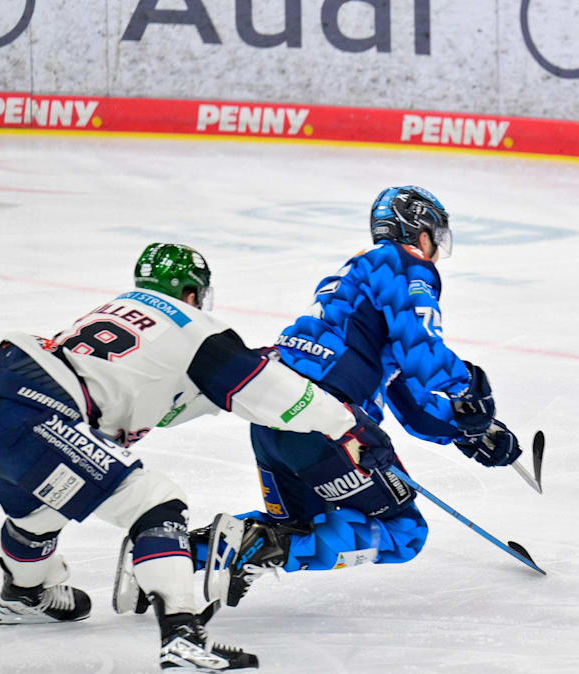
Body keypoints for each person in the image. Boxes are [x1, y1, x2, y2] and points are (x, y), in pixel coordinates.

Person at [0, 242, 393, 674]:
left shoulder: (128, 313)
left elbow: (169, 397)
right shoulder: (193, 326)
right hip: (40, 414)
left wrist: (247, 367)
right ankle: (183, 648)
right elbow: (269, 392)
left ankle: (24, 594)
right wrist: (347, 425)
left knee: (38, 515)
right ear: (191, 292)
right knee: (158, 504)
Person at [193, 185, 523, 607]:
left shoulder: (351, 293)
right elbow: (422, 353)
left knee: (299, 526)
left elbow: (413, 405)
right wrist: (472, 391)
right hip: (328, 422)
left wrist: (470, 430)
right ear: (419, 232)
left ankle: (166, 557)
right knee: (404, 532)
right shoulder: (402, 264)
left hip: (274, 419)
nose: (436, 251)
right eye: (435, 237)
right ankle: (259, 548)